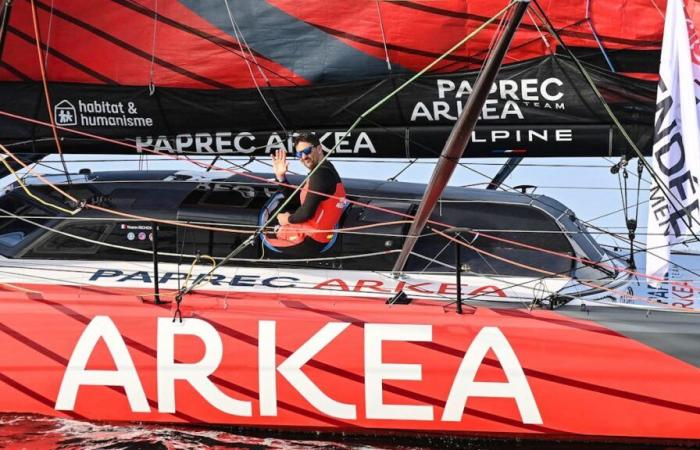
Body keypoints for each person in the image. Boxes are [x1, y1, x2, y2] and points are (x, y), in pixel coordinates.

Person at [267, 132, 346, 255]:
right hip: (314, 239)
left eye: (307, 150)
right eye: (299, 154)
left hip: (309, 241)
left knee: (261, 241)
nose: (303, 156)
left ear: (319, 148)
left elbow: (305, 213)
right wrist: (280, 177)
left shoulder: (321, 174)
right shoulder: (325, 170)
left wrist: (286, 219)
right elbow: (297, 201)